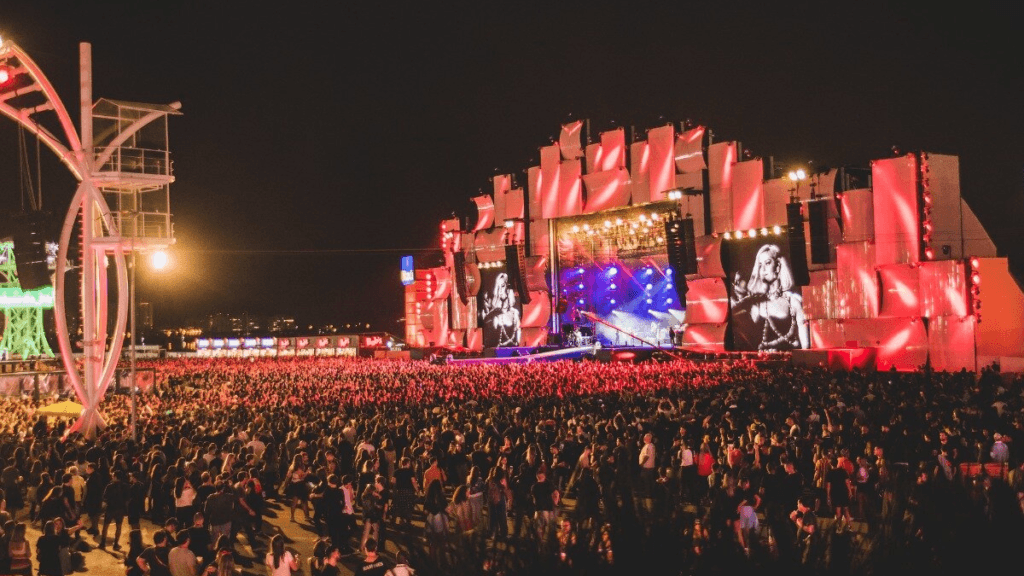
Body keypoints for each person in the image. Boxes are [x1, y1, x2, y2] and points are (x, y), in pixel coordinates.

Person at [729, 243, 809, 351]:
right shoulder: (754, 302)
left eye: (767, 263)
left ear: (778, 266)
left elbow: (805, 346)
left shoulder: (793, 302)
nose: (763, 269)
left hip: (790, 362)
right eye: (760, 265)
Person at [481, 272, 521, 347]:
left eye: (503, 286)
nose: (501, 290)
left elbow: (519, 333)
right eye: (499, 287)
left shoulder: (515, 313)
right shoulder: (494, 314)